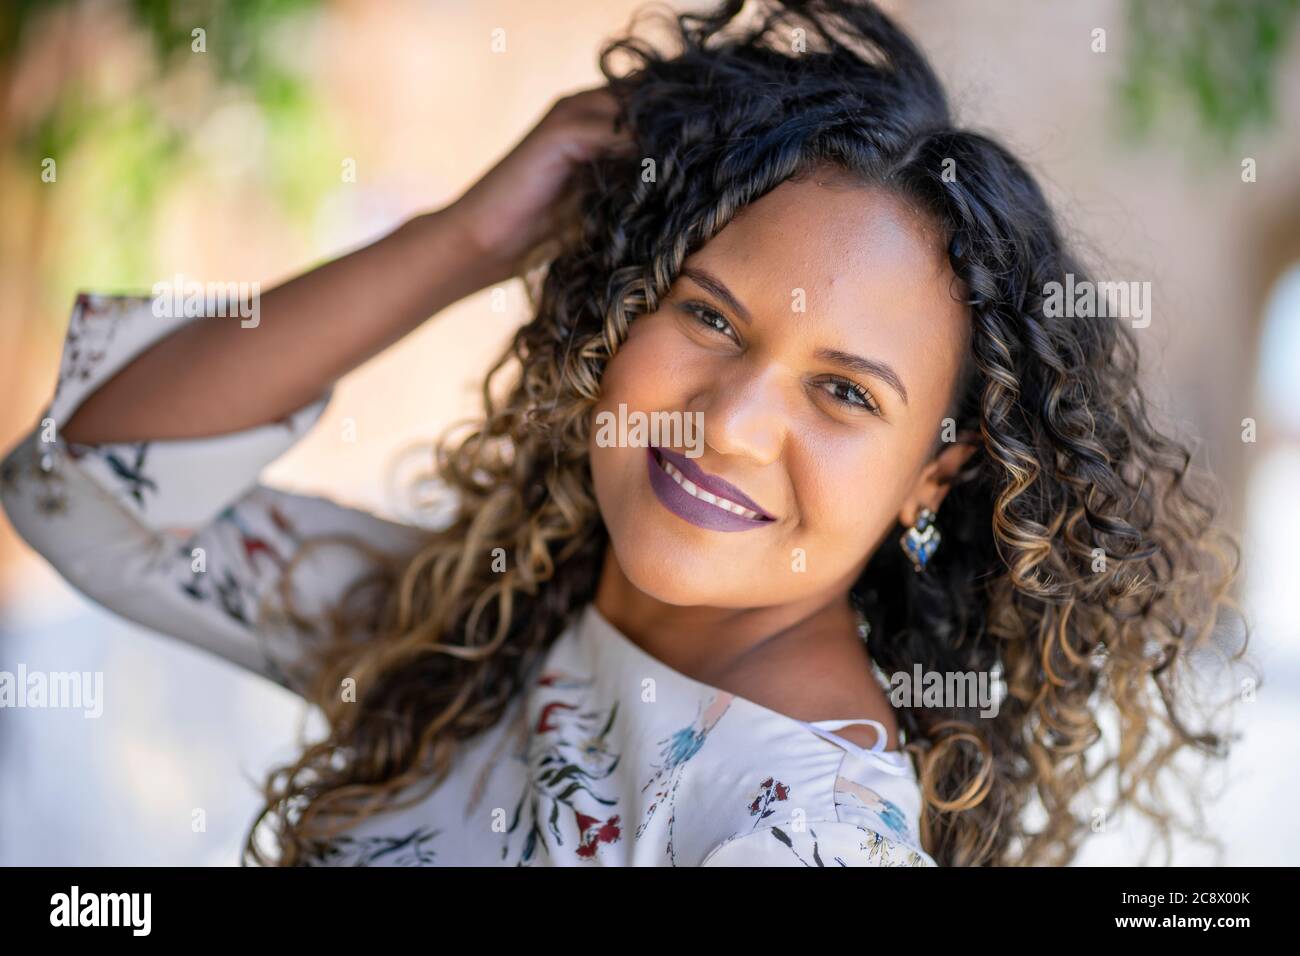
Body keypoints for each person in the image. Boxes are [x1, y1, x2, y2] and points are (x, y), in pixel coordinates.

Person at [0, 0, 1244, 867]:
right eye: (708, 313)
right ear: (621, 305)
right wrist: (468, 238)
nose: (732, 422)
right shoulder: (469, 627)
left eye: (846, 392)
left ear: (935, 471)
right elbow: (77, 486)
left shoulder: (797, 825)